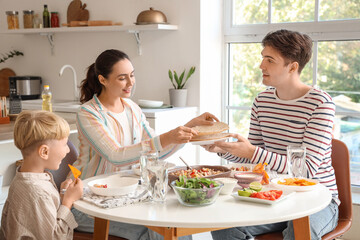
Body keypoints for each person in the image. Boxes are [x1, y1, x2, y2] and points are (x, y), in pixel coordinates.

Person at [71, 49, 218, 240]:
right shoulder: (88, 113)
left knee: (171, 227)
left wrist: (188, 128)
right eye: (122, 78)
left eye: (132, 75)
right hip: (87, 203)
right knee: (154, 232)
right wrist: (168, 137)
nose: (131, 83)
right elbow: (115, 155)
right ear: (103, 80)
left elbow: (156, 153)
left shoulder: (132, 108)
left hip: (127, 196)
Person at [206, 29, 339, 240]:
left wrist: (253, 152)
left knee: (298, 232)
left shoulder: (320, 104)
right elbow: (253, 158)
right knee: (225, 226)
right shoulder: (262, 101)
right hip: (274, 196)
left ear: (292, 67)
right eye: (262, 58)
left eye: (270, 60)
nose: (261, 66)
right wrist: (222, 148)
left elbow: (305, 169)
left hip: (318, 199)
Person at [0, 110, 83, 240]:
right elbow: (56, 237)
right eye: (65, 144)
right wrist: (68, 201)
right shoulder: (38, 193)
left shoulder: (22, 179)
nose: (68, 150)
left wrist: (62, 196)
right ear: (44, 152)